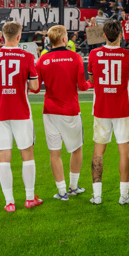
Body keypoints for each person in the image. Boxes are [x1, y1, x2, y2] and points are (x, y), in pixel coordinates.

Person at [0, 21, 41, 212]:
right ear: (19, 36)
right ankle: (29, 198)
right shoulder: (27, 56)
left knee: (3, 157)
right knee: (27, 154)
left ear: (3, 36)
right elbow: (35, 87)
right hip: (21, 111)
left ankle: (9, 202)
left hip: (1, 112)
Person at [34, 25, 92, 201]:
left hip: (50, 111)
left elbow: (35, 88)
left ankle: (61, 192)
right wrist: (92, 82)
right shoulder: (75, 57)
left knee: (54, 153)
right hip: (70, 111)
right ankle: (73, 187)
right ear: (64, 39)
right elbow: (82, 86)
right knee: (76, 148)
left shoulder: (42, 60)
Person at [87, 20, 129, 205]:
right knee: (124, 151)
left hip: (101, 108)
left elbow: (92, 79)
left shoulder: (94, 54)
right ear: (121, 35)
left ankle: (97, 195)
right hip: (122, 108)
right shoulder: (127, 55)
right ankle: (124, 195)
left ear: (104, 35)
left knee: (99, 151)